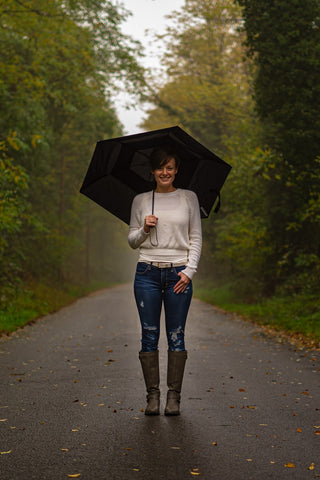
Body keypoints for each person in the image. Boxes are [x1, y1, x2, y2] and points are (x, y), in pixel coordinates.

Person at [128, 146, 202, 416]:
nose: (165, 172)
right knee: (149, 336)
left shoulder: (189, 198)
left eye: (170, 167)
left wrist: (189, 270)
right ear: (152, 170)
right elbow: (132, 241)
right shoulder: (140, 200)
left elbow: (195, 238)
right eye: (160, 167)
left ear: (176, 170)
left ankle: (174, 397)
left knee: (176, 335)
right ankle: (152, 397)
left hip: (178, 274)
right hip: (147, 273)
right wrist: (144, 229)